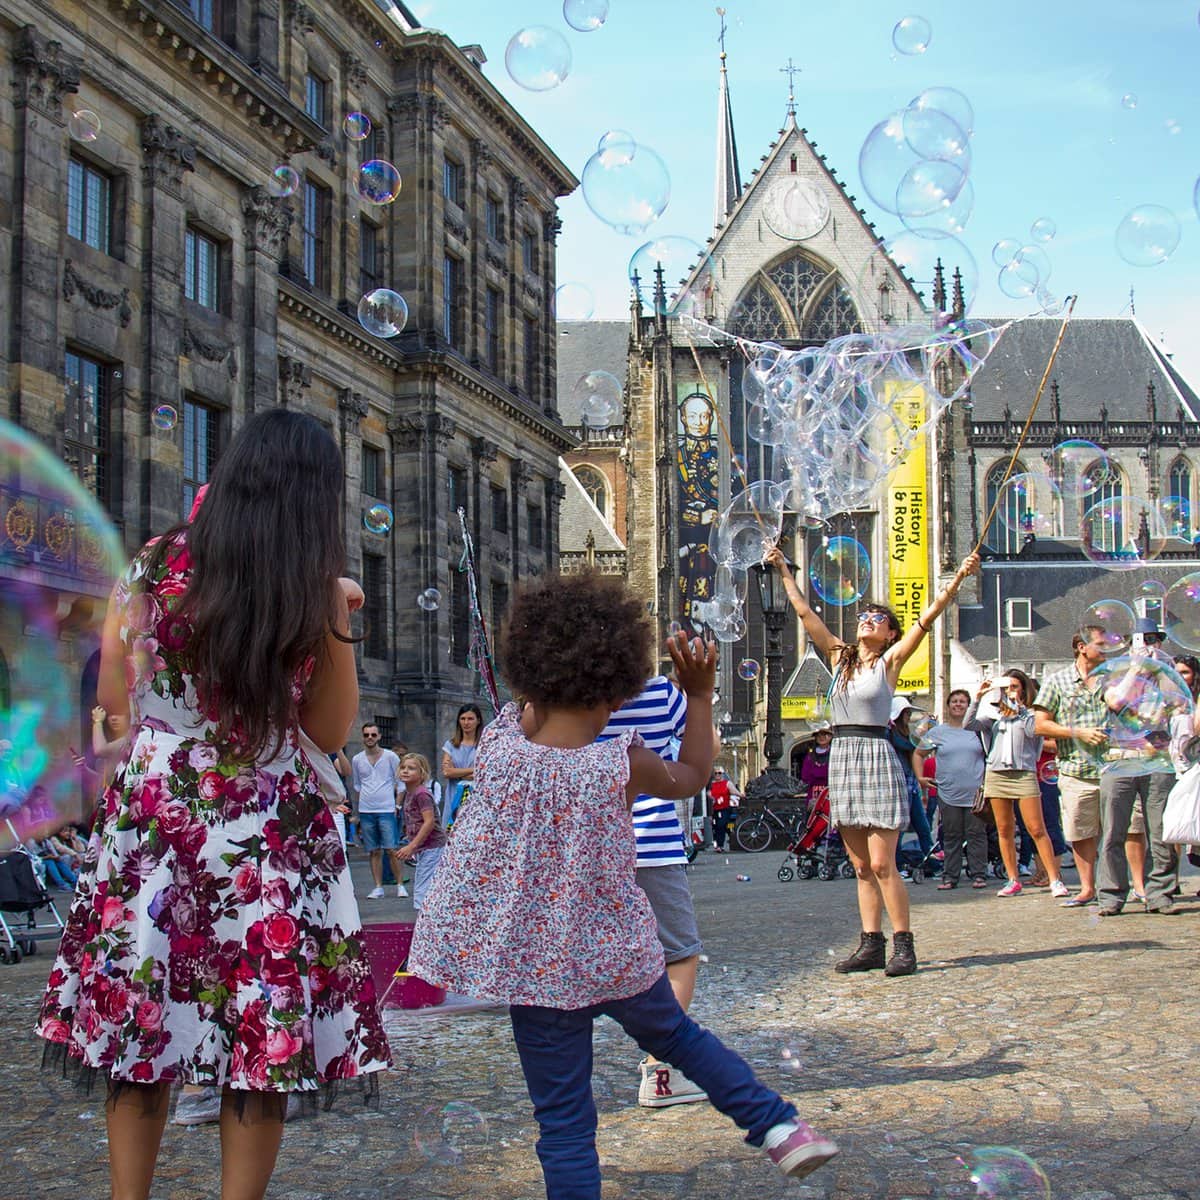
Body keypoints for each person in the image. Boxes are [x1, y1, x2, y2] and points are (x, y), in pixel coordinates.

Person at [35, 408, 390, 1200]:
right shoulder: (308, 590)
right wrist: (334, 620)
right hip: (265, 828)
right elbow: (330, 730)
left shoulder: (153, 564)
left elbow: (111, 700)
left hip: (157, 813)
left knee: (141, 1022)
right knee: (258, 1036)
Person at [408, 574, 839, 1195]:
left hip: (537, 968)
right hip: (613, 953)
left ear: (529, 675)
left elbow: (526, 709)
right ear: (616, 688)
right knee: (680, 1038)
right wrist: (699, 694)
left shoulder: (500, 740)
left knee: (562, 1122)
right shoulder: (621, 762)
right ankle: (777, 1128)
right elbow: (692, 774)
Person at [766, 545, 980, 976]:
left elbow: (930, 616)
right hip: (844, 758)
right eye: (865, 615)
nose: (868, 619)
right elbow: (805, 613)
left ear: (889, 634)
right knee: (861, 865)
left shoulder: (889, 662)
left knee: (884, 863)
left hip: (876, 755)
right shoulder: (838, 658)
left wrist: (957, 577)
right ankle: (871, 944)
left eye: (878, 618)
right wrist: (782, 569)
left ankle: (904, 945)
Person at [598, 674, 710, 1108]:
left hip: (584, 844)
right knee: (678, 952)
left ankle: (563, 1083)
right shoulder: (658, 691)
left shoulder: (560, 689)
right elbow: (699, 754)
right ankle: (661, 1070)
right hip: (652, 844)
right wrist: (697, 695)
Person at [970, 671, 1070, 899]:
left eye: (1014, 687)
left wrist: (1020, 709)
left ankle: (1054, 878)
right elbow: (970, 724)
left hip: (1024, 774)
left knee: (1037, 828)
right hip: (997, 774)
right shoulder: (994, 716)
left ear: (1024, 689)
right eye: (1006, 688)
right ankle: (1013, 879)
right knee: (1004, 829)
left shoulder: (1032, 715)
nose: (1010, 692)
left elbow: (1032, 731)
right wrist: (978, 698)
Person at [1032, 628, 1110, 907]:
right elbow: (1040, 724)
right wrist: (1079, 732)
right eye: (1102, 644)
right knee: (1081, 831)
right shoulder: (1057, 681)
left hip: (1115, 768)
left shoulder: (1114, 678)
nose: (1108, 648)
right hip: (1076, 769)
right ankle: (1088, 887)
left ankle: (1123, 886)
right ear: (1081, 647)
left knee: (1124, 831)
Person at [914, 689, 989, 889]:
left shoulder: (978, 730)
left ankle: (979, 874)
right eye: (954, 701)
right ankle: (950, 877)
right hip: (948, 793)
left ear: (969, 705)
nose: (958, 705)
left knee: (977, 835)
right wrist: (920, 778)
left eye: (962, 701)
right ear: (948, 706)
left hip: (976, 794)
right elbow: (919, 753)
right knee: (951, 835)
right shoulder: (937, 732)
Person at [352, 723, 406, 899]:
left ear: (379, 736)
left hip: (387, 808)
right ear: (362, 737)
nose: (370, 738)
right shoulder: (357, 759)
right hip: (366, 809)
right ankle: (378, 886)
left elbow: (401, 784)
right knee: (373, 850)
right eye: (366, 735)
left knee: (391, 848)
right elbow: (357, 785)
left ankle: (399, 884)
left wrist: (397, 806)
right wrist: (358, 811)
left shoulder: (391, 757)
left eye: (373, 735)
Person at [395, 753, 446, 911]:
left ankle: (422, 926)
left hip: (433, 846)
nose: (405, 771)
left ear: (422, 773)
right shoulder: (410, 793)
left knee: (422, 889)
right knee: (425, 884)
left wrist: (411, 846)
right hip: (425, 848)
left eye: (411, 768)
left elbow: (429, 821)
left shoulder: (421, 794)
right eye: (403, 767)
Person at [441, 704, 482, 827]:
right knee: (451, 830)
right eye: (463, 719)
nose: (466, 723)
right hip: (454, 794)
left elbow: (484, 773)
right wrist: (472, 770)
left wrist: (457, 771)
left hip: (475, 794)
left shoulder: (484, 745)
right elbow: (447, 772)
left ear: (478, 720)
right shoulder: (451, 744)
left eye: (470, 719)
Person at [708, 766, 739, 852]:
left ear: (722, 774)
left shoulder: (727, 783)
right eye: (716, 773)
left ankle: (720, 845)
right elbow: (708, 794)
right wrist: (712, 798)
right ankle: (718, 844)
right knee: (716, 827)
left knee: (722, 825)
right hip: (714, 810)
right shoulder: (711, 785)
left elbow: (734, 791)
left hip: (724, 808)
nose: (717, 775)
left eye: (719, 773)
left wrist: (741, 795)